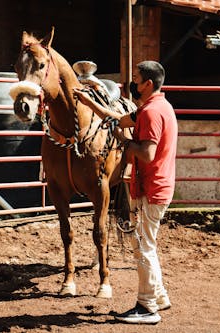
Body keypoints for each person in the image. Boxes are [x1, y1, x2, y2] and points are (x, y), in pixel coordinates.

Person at [73, 60, 177, 325]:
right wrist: (89, 103)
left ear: (148, 84)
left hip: (152, 188)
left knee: (143, 247)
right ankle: (160, 296)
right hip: (154, 186)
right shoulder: (156, 107)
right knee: (145, 244)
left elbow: (147, 153)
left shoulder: (152, 113)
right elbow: (118, 119)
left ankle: (146, 307)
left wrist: (126, 144)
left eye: (136, 79)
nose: (132, 83)